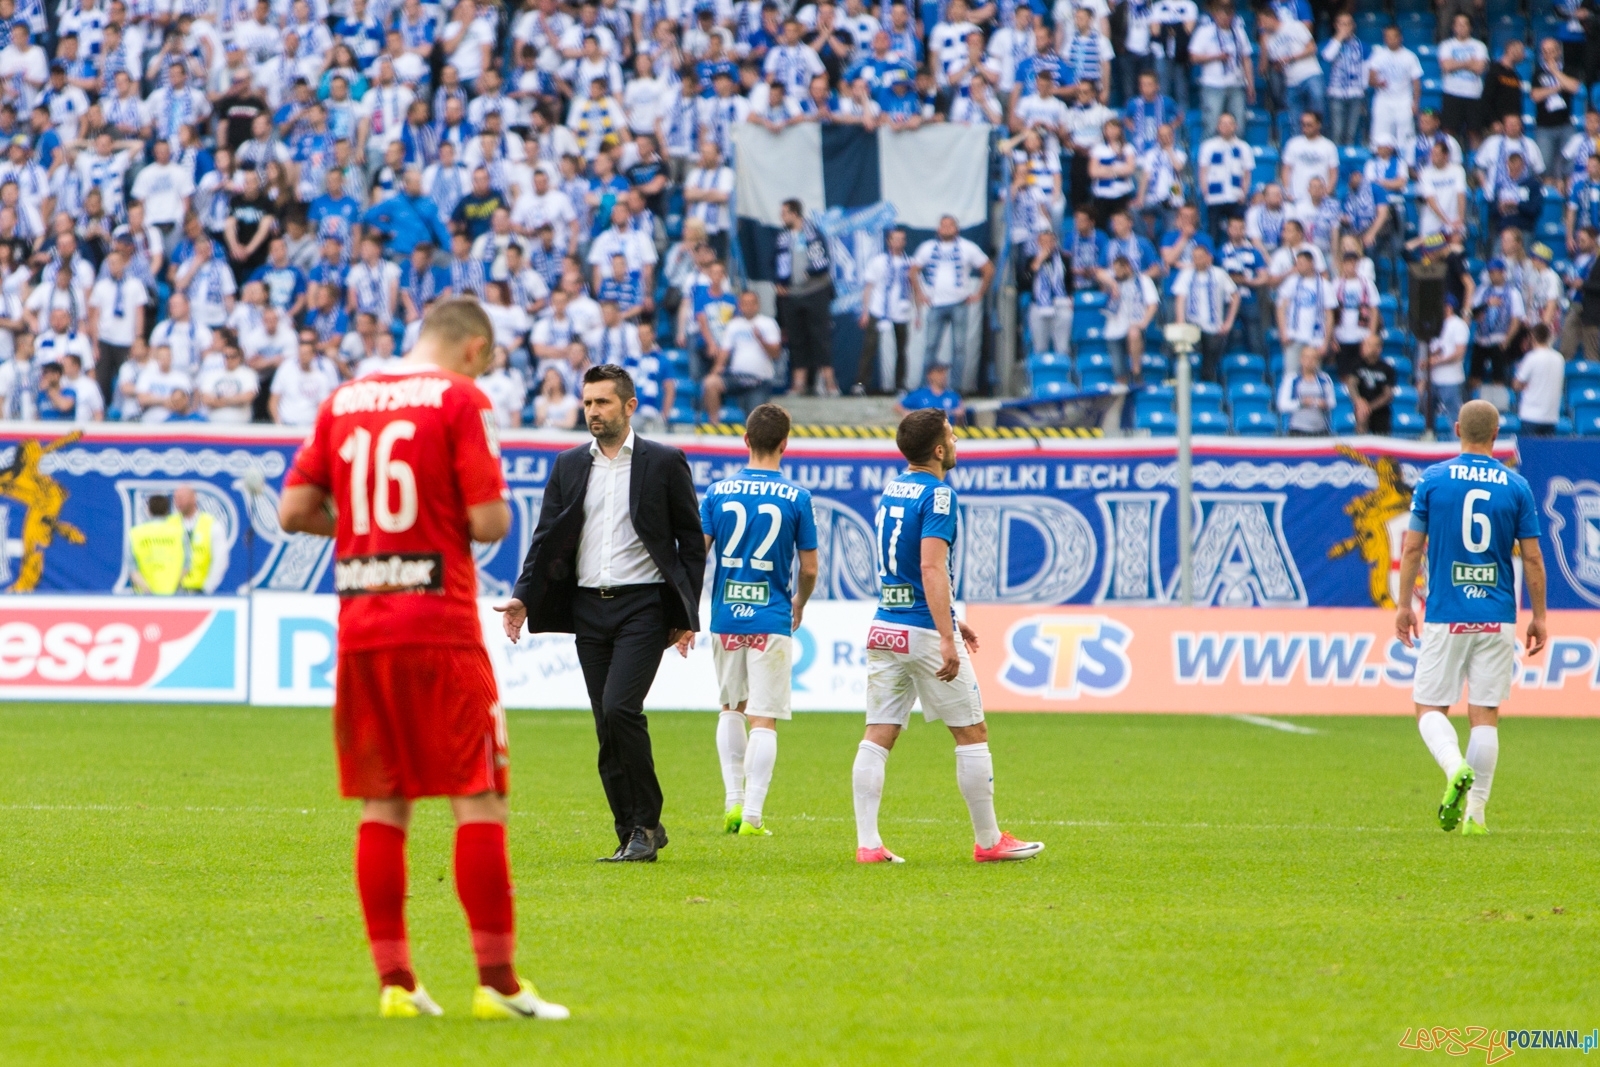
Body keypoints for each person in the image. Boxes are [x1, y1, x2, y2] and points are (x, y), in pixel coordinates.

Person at [280, 297, 566, 1021]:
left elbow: (292, 511)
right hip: (438, 625)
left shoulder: (343, 399)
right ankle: (497, 983)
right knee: (480, 796)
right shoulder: (459, 398)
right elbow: (489, 520)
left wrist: (365, 532)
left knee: (386, 800)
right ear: (473, 349)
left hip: (363, 627)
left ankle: (397, 984)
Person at [500, 363, 705, 863]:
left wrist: (687, 613)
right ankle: (632, 830)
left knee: (620, 709)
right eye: (588, 403)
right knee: (605, 723)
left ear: (629, 406)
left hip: (644, 607)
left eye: (603, 402)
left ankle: (644, 823)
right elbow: (545, 539)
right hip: (588, 609)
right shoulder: (570, 465)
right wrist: (524, 597)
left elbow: (691, 544)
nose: (592, 411)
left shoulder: (663, 461)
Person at [851, 408, 1044, 865]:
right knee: (972, 732)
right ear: (938, 450)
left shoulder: (893, 490)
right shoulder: (939, 496)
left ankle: (868, 844)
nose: (956, 441)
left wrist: (953, 621)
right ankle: (989, 840)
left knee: (878, 733)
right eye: (952, 435)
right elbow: (930, 567)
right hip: (920, 628)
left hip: (885, 625)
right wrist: (944, 636)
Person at [1395, 399, 1547, 836]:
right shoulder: (1516, 486)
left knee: (1428, 708)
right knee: (1485, 715)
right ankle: (1475, 818)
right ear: (1496, 435)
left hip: (1447, 612)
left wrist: (1405, 605)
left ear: (1458, 428)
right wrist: (1538, 616)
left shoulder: (1433, 480)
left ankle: (1453, 766)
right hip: (1497, 614)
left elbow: (1411, 548)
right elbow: (1533, 559)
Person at [702, 403, 818, 837]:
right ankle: (752, 815)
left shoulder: (717, 493)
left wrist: (685, 612)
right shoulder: (798, 497)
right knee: (764, 717)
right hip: (771, 616)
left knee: (731, 707)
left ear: (745, 440)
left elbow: (698, 554)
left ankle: (732, 803)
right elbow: (808, 569)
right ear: (785, 444)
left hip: (725, 615)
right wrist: (800, 604)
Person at [910, 214, 992, 395]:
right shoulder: (927, 248)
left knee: (959, 348)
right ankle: (926, 387)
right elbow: (913, 271)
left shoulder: (967, 247)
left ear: (957, 229)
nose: (946, 228)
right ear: (938, 229)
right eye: (943, 225)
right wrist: (920, 293)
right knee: (930, 346)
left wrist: (979, 293)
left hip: (959, 303)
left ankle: (955, 389)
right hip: (936, 303)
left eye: (950, 225)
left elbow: (988, 268)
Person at [775, 198, 839, 397]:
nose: (782, 217)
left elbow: (823, 262)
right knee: (796, 340)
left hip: (815, 292)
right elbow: (775, 262)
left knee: (820, 337)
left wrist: (810, 274)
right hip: (792, 295)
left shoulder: (813, 233)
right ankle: (799, 384)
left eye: (785, 213)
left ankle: (830, 384)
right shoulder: (783, 237)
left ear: (795, 213)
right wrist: (778, 282)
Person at [703, 289, 782, 423]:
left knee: (755, 420)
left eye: (752, 303)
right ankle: (713, 424)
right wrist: (716, 369)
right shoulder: (734, 325)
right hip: (737, 377)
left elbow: (775, 354)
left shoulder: (768, 324)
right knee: (710, 383)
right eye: (745, 303)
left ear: (757, 305)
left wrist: (761, 339)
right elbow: (724, 351)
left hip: (759, 380)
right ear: (740, 305)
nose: (748, 306)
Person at [857, 226, 915, 394]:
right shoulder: (879, 261)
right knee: (869, 347)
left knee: (901, 349)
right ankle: (861, 384)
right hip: (878, 309)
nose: (898, 242)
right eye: (895, 239)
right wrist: (865, 312)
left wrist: (917, 313)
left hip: (901, 312)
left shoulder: (909, 263)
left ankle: (900, 384)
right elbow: (868, 287)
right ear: (888, 241)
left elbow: (914, 289)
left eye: (901, 239)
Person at [1172, 242, 1237, 382]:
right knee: (1186, 359)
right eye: (1194, 257)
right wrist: (1180, 322)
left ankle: (1208, 390)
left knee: (1210, 363)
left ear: (1209, 258)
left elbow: (1235, 296)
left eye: (1201, 257)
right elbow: (1180, 299)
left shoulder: (1219, 274)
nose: (1197, 260)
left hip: (1214, 327)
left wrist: (1229, 322)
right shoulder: (1186, 275)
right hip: (1192, 324)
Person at [1101, 254, 1158, 385]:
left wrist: (1144, 322)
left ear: (1127, 268)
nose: (1117, 273)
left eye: (1119, 270)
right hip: (1114, 329)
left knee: (1134, 333)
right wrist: (1113, 284)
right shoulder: (1114, 280)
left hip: (1134, 325)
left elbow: (1153, 304)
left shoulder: (1143, 280)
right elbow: (1098, 273)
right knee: (1119, 372)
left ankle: (1136, 372)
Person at [1436, 14, 1488, 148]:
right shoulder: (1446, 45)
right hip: (1452, 93)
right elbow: (1446, 66)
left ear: (1470, 27)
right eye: (1458, 24)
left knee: (1475, 132)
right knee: (1448, 131)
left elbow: (1479, 68)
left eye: (1465, 24)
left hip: (1473, 95)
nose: (1461, 27)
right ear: (1453, 27)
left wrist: (1456, 64)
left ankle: (1475, 164)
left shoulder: (1479, 46)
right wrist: (1469, 63)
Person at [1513, 322, 1565, 436]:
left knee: (1529, 453)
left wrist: (1524, 384)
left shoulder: (1532, 358)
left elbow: (1516, 384)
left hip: (1531, 415)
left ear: (1532, 337)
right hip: (1551, 416)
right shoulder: (1559, 359)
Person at [1427, 295, 1471, 427]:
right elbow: (1438, 348)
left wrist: (1436, 361)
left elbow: (1459, 353)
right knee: (1429, 418)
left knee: (1455, 418)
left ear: (1449, 307)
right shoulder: (1436, 324)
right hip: (1434, 379)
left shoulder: (1458, 325)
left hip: (1451, 380)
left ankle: (1457, 445)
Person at [128, 494, 185, 595]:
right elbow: (187, 565)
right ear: (167, 511)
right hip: (174, 596)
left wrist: (148, 590)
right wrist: (172, 587)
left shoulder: (135, 534)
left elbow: (132, 569)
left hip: (144, 597)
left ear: (148, 511)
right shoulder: (179, 532)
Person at [1347, 333, 1396, 435]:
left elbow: (1387, 395)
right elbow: (1351, 385)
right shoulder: (1356, 365)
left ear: (1378, 349)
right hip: (1361, 409)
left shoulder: (1387, 369)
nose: (1364, 348)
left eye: (1368, 345)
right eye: (1364, 344)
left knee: (1382, 442)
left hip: (1380, 411)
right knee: (1361, 419)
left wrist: (1369, 407)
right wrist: (1359, 401)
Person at [897, 362, 965, 419]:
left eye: (944, 373)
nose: (943, 376)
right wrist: (906, 413)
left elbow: (960, 411)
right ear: (930, 375)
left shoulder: (953, 395)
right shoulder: (920, 394)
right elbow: (898, 407)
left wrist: (959, 413)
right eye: (939, 372)